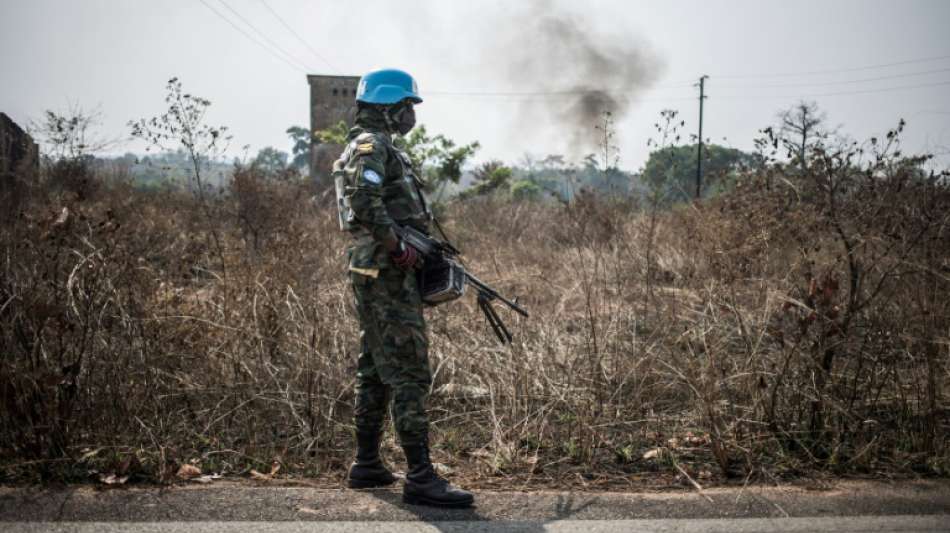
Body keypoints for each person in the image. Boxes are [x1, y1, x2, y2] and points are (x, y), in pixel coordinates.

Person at [333, 68, 474, 508]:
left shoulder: (386, 148)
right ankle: (420, 477)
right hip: (385, 272)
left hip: (377, 271)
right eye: (408, 105)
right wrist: (398, 247)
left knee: (375, 365)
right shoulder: (372, 145)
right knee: (410, 369)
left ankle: (368, 464)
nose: (412, 114)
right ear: (388, 105)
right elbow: (363, 201)